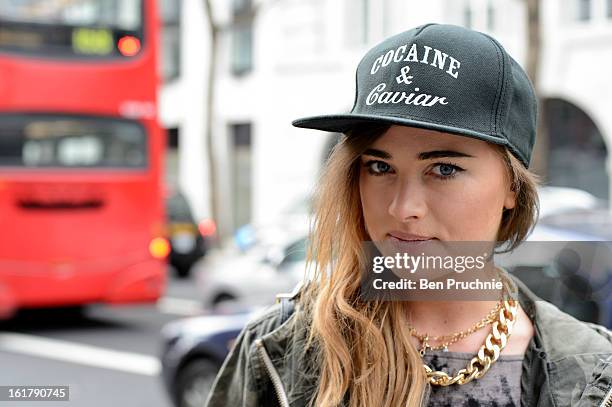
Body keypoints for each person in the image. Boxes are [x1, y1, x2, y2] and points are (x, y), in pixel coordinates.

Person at [205, 23, 612, 407]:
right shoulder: (280, 351)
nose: (402, 208)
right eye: (379, 167)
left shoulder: (592, 373)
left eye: (444, 169)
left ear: (511, 186)